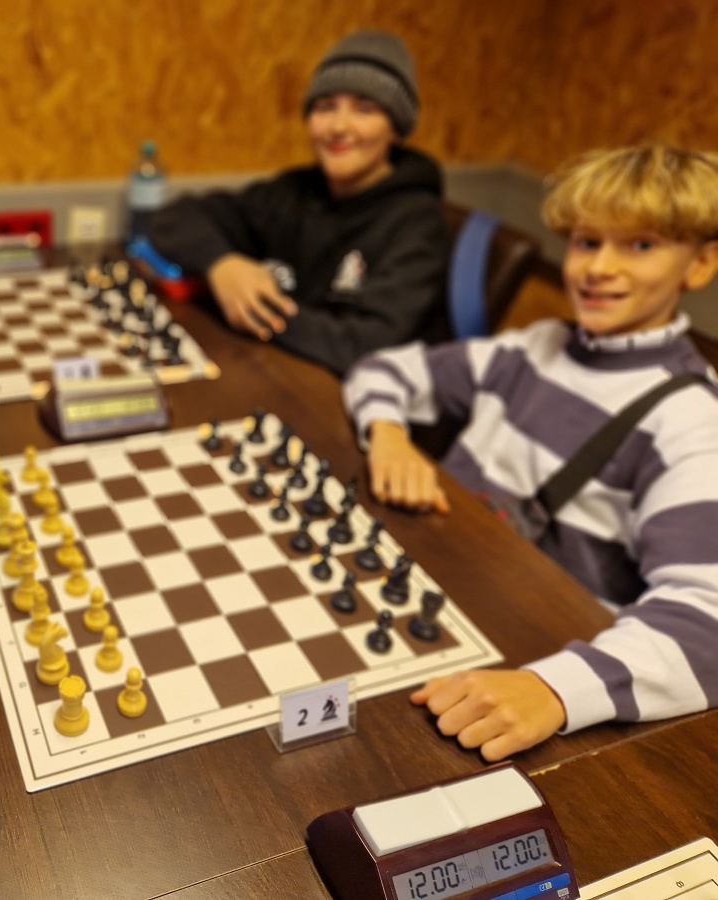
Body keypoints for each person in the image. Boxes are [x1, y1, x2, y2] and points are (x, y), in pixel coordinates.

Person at [342, 143, 718, 760]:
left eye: (640, 245)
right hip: (437, 591)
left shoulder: (692, 419)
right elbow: (383, 369)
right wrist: (388, 432)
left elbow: (706, 618)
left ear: (699, 264)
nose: (599, 267)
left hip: (531, 660)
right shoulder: (531, 347)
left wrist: (554, 688)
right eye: (587, 241)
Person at [148, 28, 448, 375]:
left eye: (364, 109)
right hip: (282, 372)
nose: (339, 126)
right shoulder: (291, 193)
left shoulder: (418, 222)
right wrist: (222, 265)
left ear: (395, 129)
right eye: (326, 106)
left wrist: (256, 306)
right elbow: (173, 218)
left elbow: (365, 346)